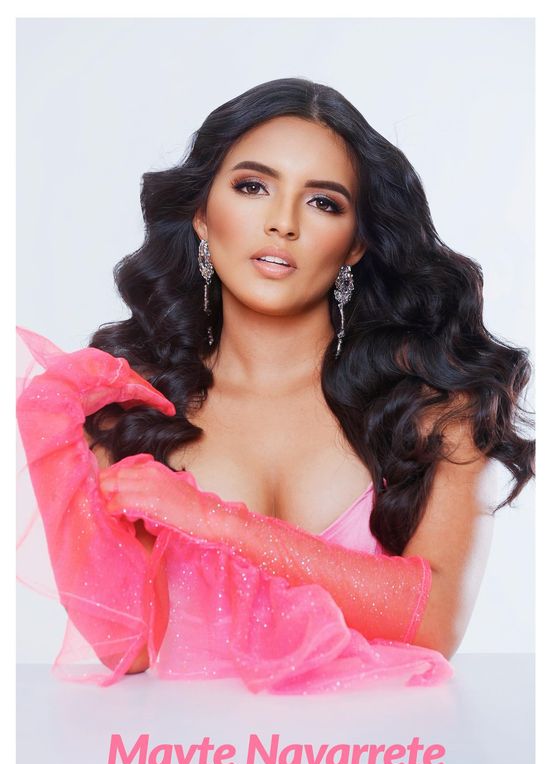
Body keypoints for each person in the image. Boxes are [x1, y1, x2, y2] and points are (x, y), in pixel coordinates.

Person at [16, 78, 534, 694]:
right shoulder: (131, 411)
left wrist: (217, 523)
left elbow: (433, 627)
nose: (282, 223)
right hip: (184, 753)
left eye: (323, 203)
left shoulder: (435, 409)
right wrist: (48, 431)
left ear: (356, 244)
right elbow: (125, 647)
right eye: (252, 187)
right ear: (202, 215)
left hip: (381, 755)